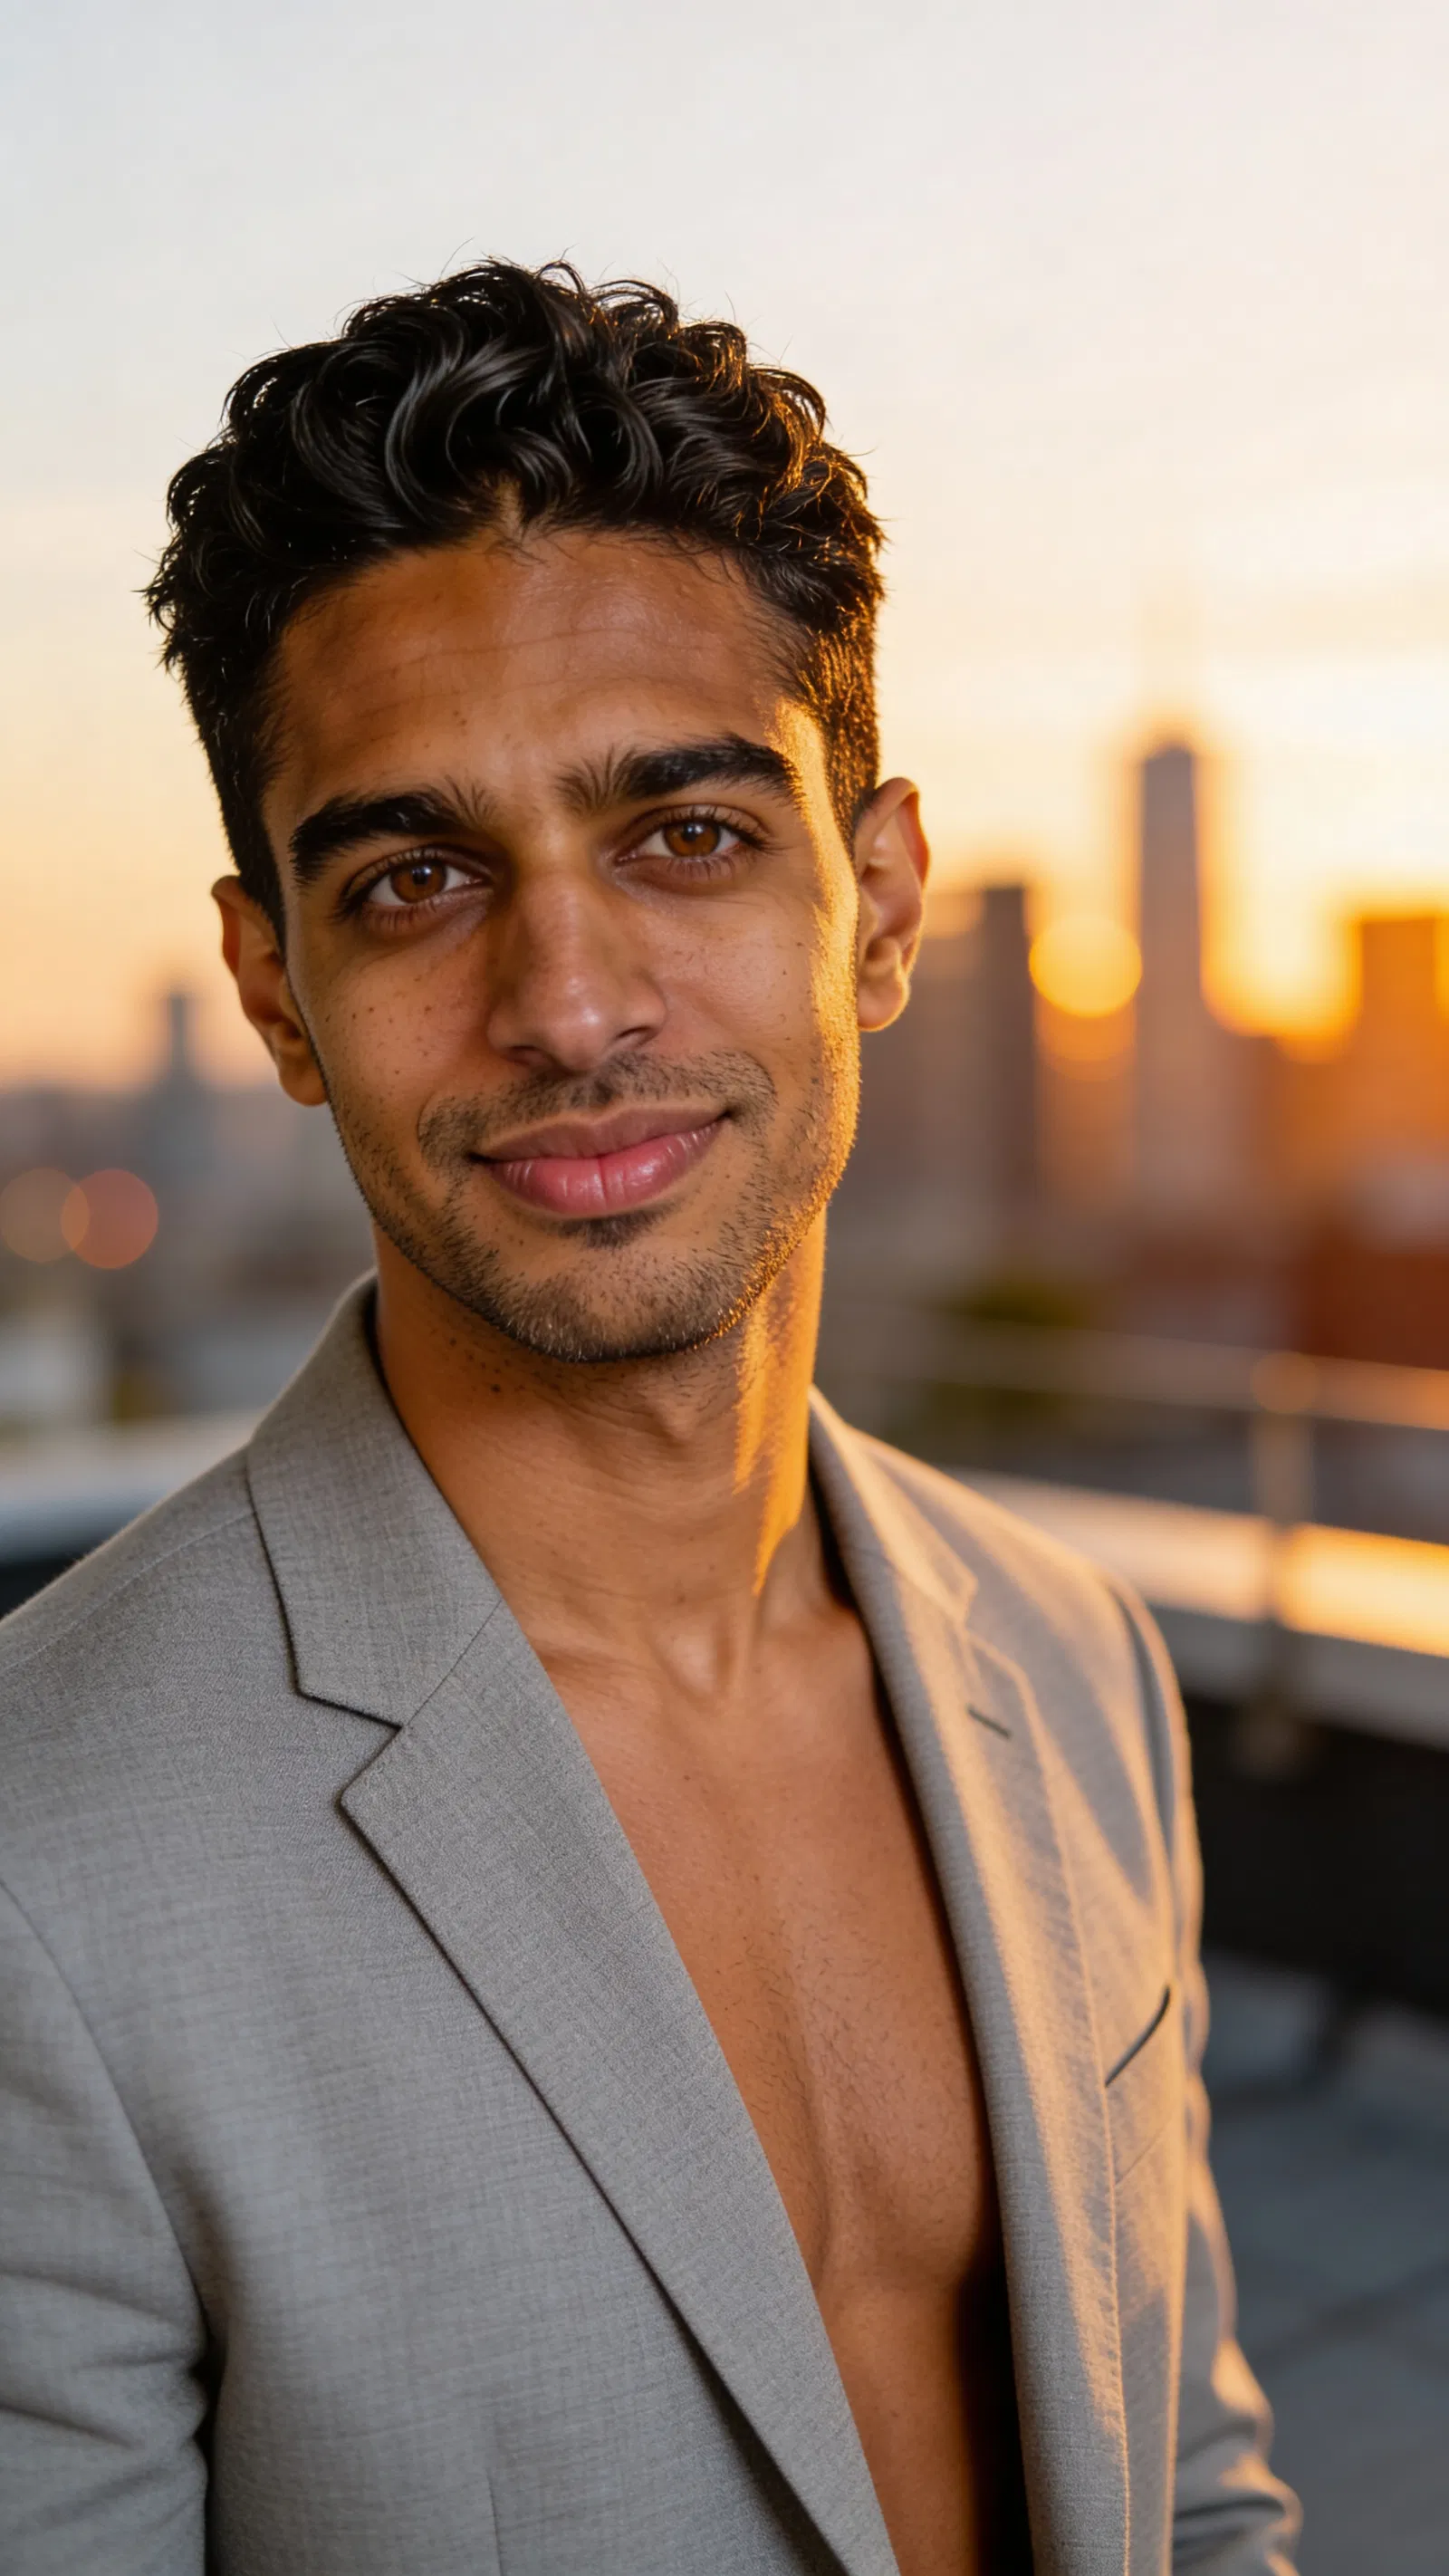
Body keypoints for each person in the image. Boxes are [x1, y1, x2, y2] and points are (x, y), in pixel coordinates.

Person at [0, 261, 1300, 2576]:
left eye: (686, 836)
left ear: (875, 906)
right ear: (273, 994)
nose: (568, 1002)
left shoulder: (1072, 1666)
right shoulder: (39, 1869)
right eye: (412, 882)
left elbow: (1186, 2496)